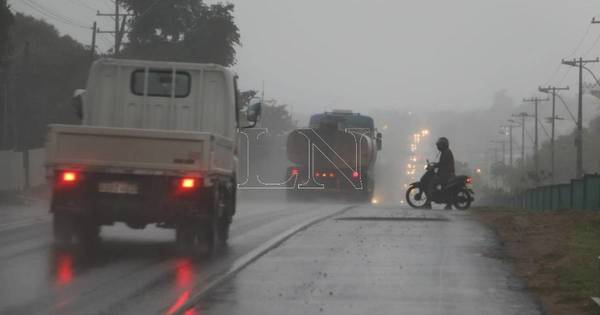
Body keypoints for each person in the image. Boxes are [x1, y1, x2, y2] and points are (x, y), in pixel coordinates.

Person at [425, 137, 455, 209]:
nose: (438, 147)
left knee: (431, 184)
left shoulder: (446, 152)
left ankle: (428, 203)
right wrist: (435, 164)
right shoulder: (445, 152)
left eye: (440, 145)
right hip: (446, 173)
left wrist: (435, 166)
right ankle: (448, 204)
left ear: (443, 145)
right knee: (442, 187)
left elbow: (442, 164)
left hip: (445, 174)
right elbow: (442, 163)